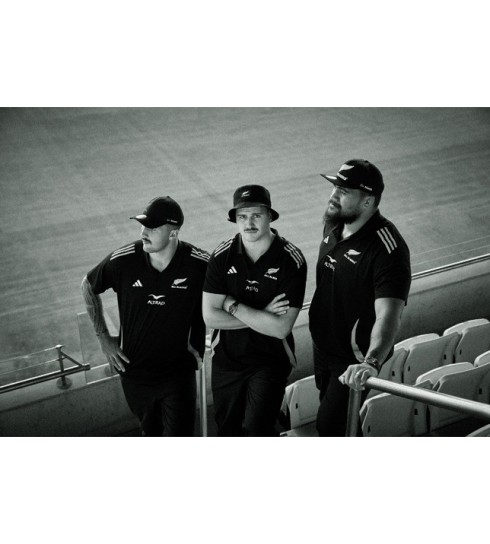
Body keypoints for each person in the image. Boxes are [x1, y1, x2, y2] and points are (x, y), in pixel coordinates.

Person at [81, 196, 209, 436]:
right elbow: (88, 285)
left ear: (173, 232)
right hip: (134, 374)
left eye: (153, 227)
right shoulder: (124, 260)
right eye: (142, 225)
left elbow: (226, 294)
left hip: (178, 373)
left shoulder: (199, 264)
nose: (143, 232)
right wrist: (103, 337)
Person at [308, 159, 411, 436]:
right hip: (323, 347)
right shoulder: (335, 221)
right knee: (341, 426)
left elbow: (389, 316)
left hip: (353, 359)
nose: (333, 195)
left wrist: (371, 362)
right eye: (335, 187)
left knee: (330, 427)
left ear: (367, 201)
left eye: (343, 191)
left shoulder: (388, 250)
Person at [202, 185, 307, 436]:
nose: (248, 223)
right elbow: (210, 317)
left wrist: (231, 305)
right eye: (242, 217)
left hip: (270, 360)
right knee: (227, 432)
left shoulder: (291, 260)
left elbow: (281, 328)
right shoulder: (222, 256)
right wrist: (263, 314)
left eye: (256, 215)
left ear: (270, 216)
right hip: (227, 360)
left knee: (256, 429)